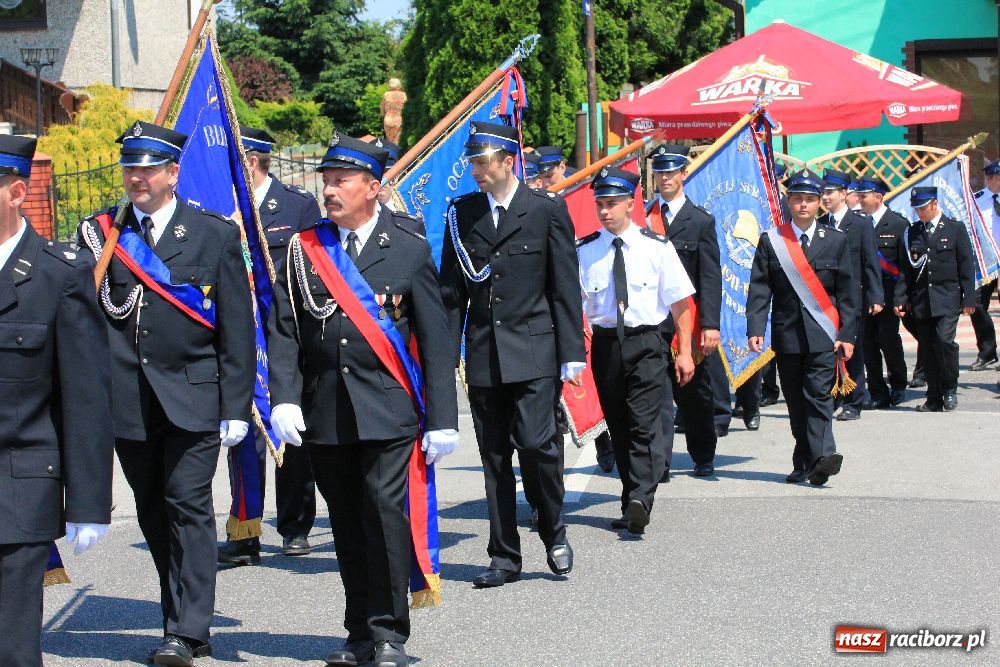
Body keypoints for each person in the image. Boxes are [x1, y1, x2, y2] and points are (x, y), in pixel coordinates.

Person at [267, 132, 458, 667]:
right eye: (326, 181)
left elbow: (435, 340)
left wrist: (442, 418)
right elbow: (284, 331)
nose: (329, 190)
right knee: (348, 522)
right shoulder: (302, 251)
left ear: (373, 188)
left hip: (387, 409)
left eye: (341, 181)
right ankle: (357, 633)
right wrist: (283, 399)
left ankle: (390, 633)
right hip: (325, 410)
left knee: (384, 515)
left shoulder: (409, 247)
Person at [78, 121, 256, 665]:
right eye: (130, 167)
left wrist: (236, 406)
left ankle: (186, 627)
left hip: (193, 397)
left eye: (148, 168)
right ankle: (179, 616)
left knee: (188, 507)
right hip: (128, 400)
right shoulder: (102, 234)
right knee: (154, 512)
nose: (136, 177)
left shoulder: (212, 234)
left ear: (172, 174)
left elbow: (236, 327)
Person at [439, 121, 585, 588]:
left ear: (508, 161)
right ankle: (504, 556)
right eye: (473, 163)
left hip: (536, 349)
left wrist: (572, 352)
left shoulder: (544, 209)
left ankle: (553, 529)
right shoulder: (461, 215)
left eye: (484, 162)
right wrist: (443, 355)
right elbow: (451, 292)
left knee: (538, 446)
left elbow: (564, 286)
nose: (478, 171)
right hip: (484, 353)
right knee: (495, 457)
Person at [0, 135, 114, 667]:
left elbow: (85, 396)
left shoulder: (58, 272)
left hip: (18, 489)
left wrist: (87, 503)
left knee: (12, 644)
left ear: (17, 192)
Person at [217, 126, 322, 566]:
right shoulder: (222, 211)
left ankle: (295, 525)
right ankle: (245, 530)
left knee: (290, 428)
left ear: (253, 161)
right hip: (238, 335)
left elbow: (315, 266)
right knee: (242, 433)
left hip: (284, 333)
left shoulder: (297, 206)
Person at [577, 168, 695, 534]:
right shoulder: (585, 251)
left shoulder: (656, 248)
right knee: (620, 426)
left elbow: (681, 304)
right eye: (600, 204)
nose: (605, 211)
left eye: (612, 204)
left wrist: (686, 351)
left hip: (647, 343)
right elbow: (573, 304)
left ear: (630, 204)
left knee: (643, 423)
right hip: (607, 345)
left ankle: (641, 498)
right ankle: (632, 498)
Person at [747, 169, 857, 485]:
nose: (804, 205)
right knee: (796, 401)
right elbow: (760, 287)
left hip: (824, 335)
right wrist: (755, 326)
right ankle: (805, 460)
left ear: (819, 203)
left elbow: (848, 293)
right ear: (789, 202)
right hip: (788, 335)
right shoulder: (772, 241)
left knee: (819, 396)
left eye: (810, 199)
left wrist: (847, 334)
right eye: (798, 199)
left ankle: (823, 457)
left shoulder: (835, 241)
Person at [645, 144, 721, 480]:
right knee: (658, 395)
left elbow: (710, 277)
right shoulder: (644, 218)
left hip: (688, 323)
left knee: (695, 395)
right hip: (653, 322)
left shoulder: (700, 220)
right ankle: (659, 462)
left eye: (670, 171)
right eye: (659, 171)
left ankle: (703, 454)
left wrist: (711, 325)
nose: (664, 178)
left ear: (683, 174)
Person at [894, 187, 976, 412]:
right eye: (916, 209)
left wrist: (969, 298)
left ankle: (949, 389)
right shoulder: (913, 232)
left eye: (923, 207)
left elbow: (966, 264)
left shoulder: (954, 228)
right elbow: (906, 269)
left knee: (944, 342)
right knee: (928, 347)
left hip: (947, 297)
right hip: (921, 300)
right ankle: (933, 397)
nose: (920, 212)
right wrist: (901, 297)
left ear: (934, 204)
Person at [819, 169, 883, 421]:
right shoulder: (821, 223)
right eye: (822, 192)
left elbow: (870, 262)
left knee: (851, 349)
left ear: (844, 194)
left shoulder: (860, 223)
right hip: (826, 299)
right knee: (828, 349)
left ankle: (854, 401)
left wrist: (876, 296)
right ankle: (835, 395)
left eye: (829, 192)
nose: (825, 197)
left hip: (853, 297)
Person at [856, 175, 909, 409]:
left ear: (878, 197)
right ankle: (877, 390)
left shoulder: (898, 224)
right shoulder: (858, 223)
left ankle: (898, 384)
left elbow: (906, 267)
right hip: (864, 295)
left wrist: (901, 297)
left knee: (888, 340)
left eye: (863, 195)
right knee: (867, 344)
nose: (859, 199)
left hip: (888, 296)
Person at [970, 160, 1000, 370]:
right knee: (977, 305)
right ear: (989, 178)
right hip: (986, 261)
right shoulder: (977, 200)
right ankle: (987, 351)